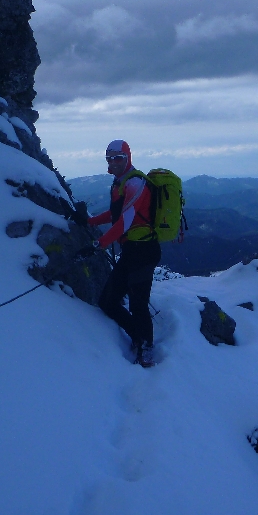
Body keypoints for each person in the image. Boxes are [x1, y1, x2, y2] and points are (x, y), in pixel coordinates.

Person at [87, 139, 161, 367]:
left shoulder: (135, 183)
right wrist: (90, 221)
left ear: (127, 158)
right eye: (110, 158)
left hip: (144, 251)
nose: (114, 162)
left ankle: (147, 348)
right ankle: (138, 337)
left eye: (118, 158)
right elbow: (115, 214)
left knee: (138, 304)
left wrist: (100, 243)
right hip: (131, 251)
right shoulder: (120, 184)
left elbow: (126, 221)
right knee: (107, 301)